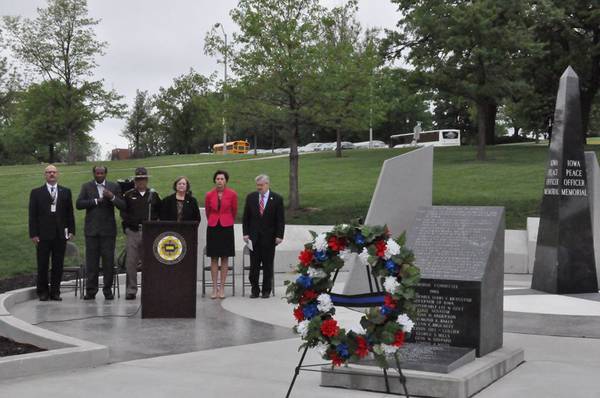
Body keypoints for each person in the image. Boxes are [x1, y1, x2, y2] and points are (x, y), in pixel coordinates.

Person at [76, 166, 126, 300]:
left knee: (108, 262)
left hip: (108, 231)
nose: (99, 175)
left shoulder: (113, 186)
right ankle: (91, 291)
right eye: (97, 173)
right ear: (93, 174)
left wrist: (112, 197)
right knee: (91, 263)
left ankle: (108, 291)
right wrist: (95, 201)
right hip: (91, 231)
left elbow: (122, 205)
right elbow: (79, 204)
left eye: (102, 173)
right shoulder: (86, 186)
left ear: (106, 174)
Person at [28, 165, 75, 301]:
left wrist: (71, 230)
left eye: (54, 172)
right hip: (42, 236)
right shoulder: (36, 193)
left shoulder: (65, 191)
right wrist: (34, 234)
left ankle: (55, 292)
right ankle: (42, 292)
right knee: (42, 264)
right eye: (49, 172)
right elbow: (32, 215)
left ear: (58, 174)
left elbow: (69, 213)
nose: (51, 174)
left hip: (60, 235)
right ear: (45, 175)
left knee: (58, 264)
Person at [120, 167, 161, 300]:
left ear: (147, 180)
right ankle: (131, 290)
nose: (141, 182)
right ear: (135, 180)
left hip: (149, 233)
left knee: (149, 262)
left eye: (143, 179)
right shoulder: (128, 194)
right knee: (131, 262)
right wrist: (127, 228)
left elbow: (159, 212)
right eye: (138, 179)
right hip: (133, 232)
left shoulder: (153, 195)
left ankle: (150, 288)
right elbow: (123, 213)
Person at [242, 174, 285, 298]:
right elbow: (246, 218)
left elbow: (280, 220)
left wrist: (279, 235)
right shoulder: (251, 198)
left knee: (267, 266)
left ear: (267, 184)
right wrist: (245, 233)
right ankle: (255, 290)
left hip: (269, 238)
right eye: (257, 185)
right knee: (254, 267)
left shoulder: (277, 199)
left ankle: (266, 290)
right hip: (254, 239)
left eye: (261, 185)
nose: (258, 188)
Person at [204, 170, 237, 299]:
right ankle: (214, 288)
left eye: (222, 179)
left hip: (227, 227)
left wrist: (227, 220)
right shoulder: (209, 194)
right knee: (213, 258)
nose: (219, 181)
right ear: (215, 180)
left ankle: (222, 288)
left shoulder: (232, 194)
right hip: (213, 227)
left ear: (226, 181)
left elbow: (234, 210)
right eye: (217, 179)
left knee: (224, 258)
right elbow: (207, 211)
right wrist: (213, 220)